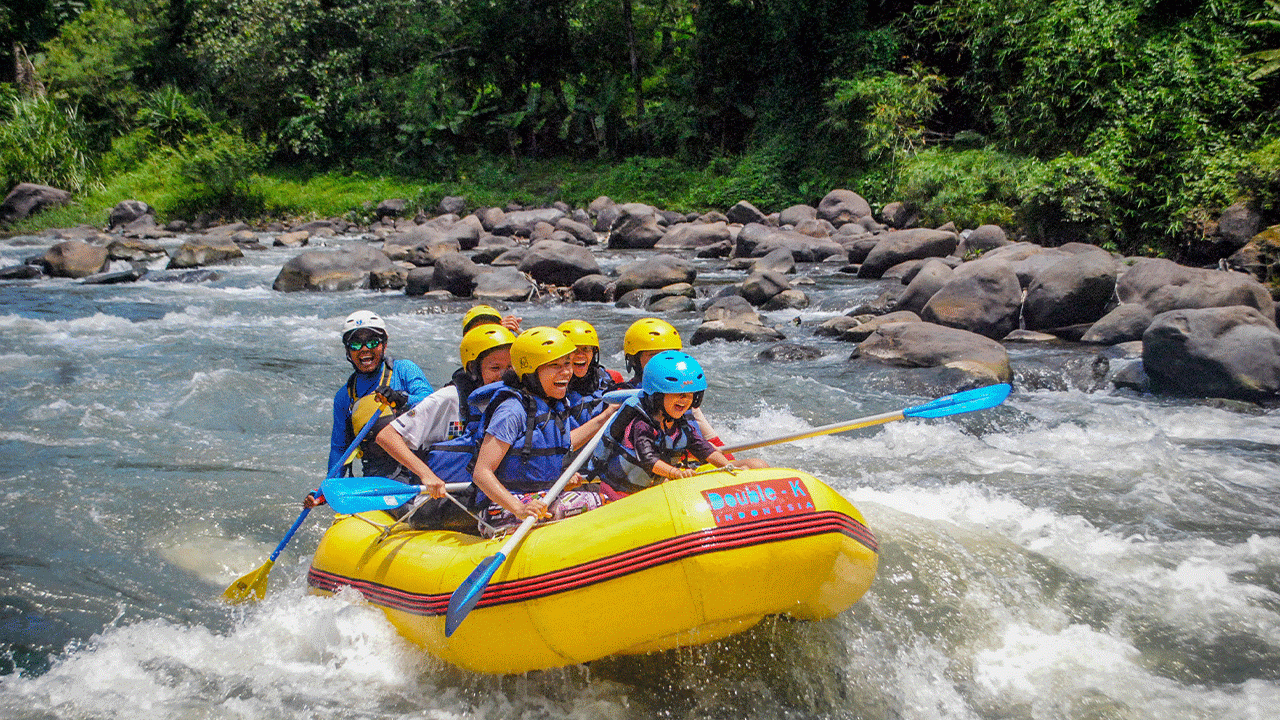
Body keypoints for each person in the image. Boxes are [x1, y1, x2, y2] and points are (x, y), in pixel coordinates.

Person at [470, 327, 618, 537]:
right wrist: (519, 508)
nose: (566, 372)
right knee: (595, 502)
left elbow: (564, 444)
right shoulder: (512, 411)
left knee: (602, 496)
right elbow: (481, 473)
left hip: (541, 498)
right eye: (555, 366)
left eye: (567, 363)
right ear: (530, 372)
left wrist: (605, 417)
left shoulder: (553, 405)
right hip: (501, 509)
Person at [587, 351, 767, 496]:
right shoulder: (641, 424)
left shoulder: (680, 422)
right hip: (623, 491)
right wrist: (676, 473)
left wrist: (729, 466)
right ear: (657, 396)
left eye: (689, 395)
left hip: (654, 485)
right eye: (677, 394)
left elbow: (703, 448)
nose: (684, 400)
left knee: (756, 465)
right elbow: (648, 460)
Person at [369, 323, 516, 490]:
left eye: (510, 367)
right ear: (473, 369)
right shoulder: (450, 398)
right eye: (495, 368)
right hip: (445, 497)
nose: (504, 375)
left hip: (491, 495)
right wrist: (426, 475)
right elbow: (387, 437)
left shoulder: (514, 400)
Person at [327, 310, 433, 475]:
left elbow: (431, 404)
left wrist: (402, 399)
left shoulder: (404, 370)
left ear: (384, 344)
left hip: (420, 467)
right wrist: (328, 488)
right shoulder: (344, 397)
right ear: (348, 351)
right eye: (355, 344)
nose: (364, 349)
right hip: (376, 473)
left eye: (372, 342)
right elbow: (339, 450)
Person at [557, 319, 624, 424]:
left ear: (594, 352)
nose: (580, 354)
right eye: (574, 350)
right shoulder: (552, 388)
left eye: (586, 348)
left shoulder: (612, 378)